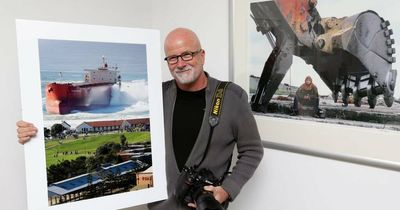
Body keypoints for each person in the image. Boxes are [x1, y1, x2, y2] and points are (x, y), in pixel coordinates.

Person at [16, 28, 264, 210]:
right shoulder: (156, 95)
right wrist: (37, 130)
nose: (180, 63)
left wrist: (226, 191)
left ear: (201, 55)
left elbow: (252, 151)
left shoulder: (231, 97)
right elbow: (117, 127)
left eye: (187, 55)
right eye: (172, 58)